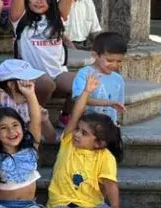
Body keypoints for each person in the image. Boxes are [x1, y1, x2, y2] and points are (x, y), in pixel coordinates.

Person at [8, 0, 94, 102]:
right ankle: (34, 114)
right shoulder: (21, 18)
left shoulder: (57, 17)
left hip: (58, 74)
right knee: (47, 83)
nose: (39, 1)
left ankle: (67, 116)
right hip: (31, 74)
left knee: (83, 83)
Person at [48, 73, 122, 208]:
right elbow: (76, 113)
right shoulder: (68, 142)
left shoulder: (106, 157)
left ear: (99, 143)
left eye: (84, 133)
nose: (77, 134)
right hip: (61, 204)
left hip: (92, 205)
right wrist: (86, 92)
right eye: (78, 129)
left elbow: (110, 184)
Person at [0, 87, 43, 208]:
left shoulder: (30, 148)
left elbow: (36, 120)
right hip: (3, 205)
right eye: (3, 128)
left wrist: (30, 94)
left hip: (30, 205)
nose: (11, 131)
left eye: (15, 125)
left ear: (22, 127)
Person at [73, 31, 127, 124]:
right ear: (95, 55)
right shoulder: (84, 74)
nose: (114, 65)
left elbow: (118, 105)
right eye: (109, 60)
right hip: (87, 127)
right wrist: (108, 103)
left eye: (119, 61)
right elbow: (80, 99)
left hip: (109, 127)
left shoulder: (118, 79)